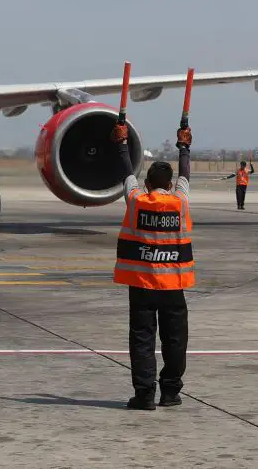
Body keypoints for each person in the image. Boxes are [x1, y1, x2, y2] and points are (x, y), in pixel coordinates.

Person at [110, 121, 194, 411]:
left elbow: (126, 174)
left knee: (142, 341)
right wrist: (184, 146)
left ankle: (144, 394)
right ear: (170, 185)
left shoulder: (136, 201)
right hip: (173, 285)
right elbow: (186, 173)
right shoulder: (180, 201)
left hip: (143, 285)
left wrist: (121, 144)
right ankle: (170, 391)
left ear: (147, 184)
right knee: (175, 340)